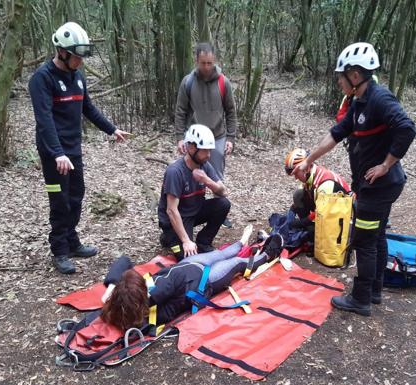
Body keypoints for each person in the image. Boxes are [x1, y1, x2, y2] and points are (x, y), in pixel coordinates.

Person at [293, 42, 416, 316]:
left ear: (356, 76)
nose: (339, 81)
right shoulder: (359, 102)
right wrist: (309, 160)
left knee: (364, 240)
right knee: (378, 235)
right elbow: (335, 135)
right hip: (375, 185)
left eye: (341, 76)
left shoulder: (380, 99)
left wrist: (385, 164)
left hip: (380, 185)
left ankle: (360, 298)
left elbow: (407, 129)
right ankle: (374, 291)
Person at [29, 22, 131, 274]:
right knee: (59, 200)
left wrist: (111, 129)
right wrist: (57, 153)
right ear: (61, 52)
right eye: (76, 57)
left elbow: (89, 109)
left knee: (76, 195)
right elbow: (44, 121)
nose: (80, 62)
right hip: (54, 153)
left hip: (73, 150)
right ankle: (60, 250)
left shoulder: (78, 77)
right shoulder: (42, 79)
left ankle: (72, 241)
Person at [101, 226, 284, 330]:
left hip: (189, 265)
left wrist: (111, 286)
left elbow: (123, 261)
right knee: (237, 263)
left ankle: (243, 243)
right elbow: (176, 308)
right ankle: (268, 254)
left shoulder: (116, 300)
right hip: (205, 280)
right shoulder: (153, 315)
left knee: (221, 254)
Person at [174, 42, 237, 228]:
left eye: (210, 63)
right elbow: (180, 111)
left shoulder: (223, 82)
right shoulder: (188, 82)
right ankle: (188, 211)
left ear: (214, 61)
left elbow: (231, 111)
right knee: (189, 173)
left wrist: (231, 138)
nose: (207, 67)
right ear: (196, 61)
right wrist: (179, 137)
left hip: (217, 136)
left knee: (216, 175)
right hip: (193, 137)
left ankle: (219, 210)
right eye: (203, 63)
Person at [157, 124, 230, 261]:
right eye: (205, 151)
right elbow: (171, 211)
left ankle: (203, 241)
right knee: (189, 258)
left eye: (209, 151)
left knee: (223, 204)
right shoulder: (175, 172)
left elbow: (223, 192)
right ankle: (169, 236)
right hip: (175, 218)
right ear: (191, 148)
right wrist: (186, 241)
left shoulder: (205, 166)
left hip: (194, 211)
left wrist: (206, 180)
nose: (208, 155)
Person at [284, 148, 351, 228]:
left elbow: (321, 212)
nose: (296, 178)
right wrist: (292, 211)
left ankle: (311, 229)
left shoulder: (325, 184)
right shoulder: (312, 175)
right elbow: (303, 196)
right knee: (299, 194)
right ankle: (310, 228)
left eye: (296, 174)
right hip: (329, 209)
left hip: (344, 218)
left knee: (312, 233)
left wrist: (303, 223)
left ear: (306, 168)